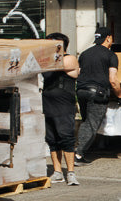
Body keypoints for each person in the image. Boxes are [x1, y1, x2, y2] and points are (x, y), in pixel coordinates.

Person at [75, 25, 121, 163]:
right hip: (98, 93)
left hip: (81, 91)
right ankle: (78, 154)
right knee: (91, 124)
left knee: (86, 122)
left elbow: (79, 73)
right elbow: (113, 80)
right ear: (108, 38)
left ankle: (79, 151)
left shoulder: (84, 53)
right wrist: (119, 96)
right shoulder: (110, 55)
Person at [42, 33, 80, 186]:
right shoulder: (49, 60)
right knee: (52, 139)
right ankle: (57, 172)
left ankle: (70, 172)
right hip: (48, 104)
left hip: (64, 105)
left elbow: (62, 66)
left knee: (66, 137)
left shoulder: (69, 58)